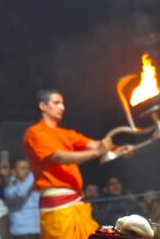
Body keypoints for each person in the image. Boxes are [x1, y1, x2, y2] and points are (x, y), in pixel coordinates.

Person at [23, 89, 133, 239]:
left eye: (62, 103)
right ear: (43, 106)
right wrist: (98, 152)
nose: (62, 107)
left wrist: (119, 149)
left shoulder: (66, 134)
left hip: (76, 203)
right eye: (56, 103)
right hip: (57, 209)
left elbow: (95, 144)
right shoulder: (35, 132)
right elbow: (59, 157)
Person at [4, 158, 40, 239]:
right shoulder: (10, 190)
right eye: (23, 169)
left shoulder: (35, 187)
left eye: (28, 168)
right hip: (21, 233)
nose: (27, 171)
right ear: (13, 172)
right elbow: (21, 193)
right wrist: (34, 172)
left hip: (38, 231)